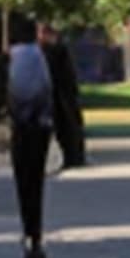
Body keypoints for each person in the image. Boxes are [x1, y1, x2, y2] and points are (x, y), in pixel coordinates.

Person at [5, 18, 77, 258]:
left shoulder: (6, 59)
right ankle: (34, 235)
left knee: (22, 178)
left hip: (19, 126)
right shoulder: (51, 55)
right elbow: (67, 92)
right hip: (43, 125)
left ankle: (29, 231)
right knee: (36, 179)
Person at [35, 20, 89, 172]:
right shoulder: (53, 51)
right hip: (59, 93)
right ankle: (73, 156)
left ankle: (72, 156)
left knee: (65, 124)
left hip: (58, 93)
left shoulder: (54, 51)